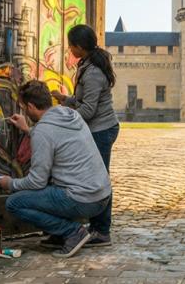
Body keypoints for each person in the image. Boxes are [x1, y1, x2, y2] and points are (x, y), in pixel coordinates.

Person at [0, 80, 111, 258]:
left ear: (30, 106)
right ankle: (60, 235)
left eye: (23, 107)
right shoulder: (70, 114)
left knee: (14, 203)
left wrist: (10, 183)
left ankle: (72, 232)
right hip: (102, 196)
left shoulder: (43, 131)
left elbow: (37, 181)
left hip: (82, 199)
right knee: (53, 187)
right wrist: (29, 131)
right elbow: (56, 139)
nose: (24, 112)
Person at [51, 24, 119, 247]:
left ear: (79, 46)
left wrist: (63, 120)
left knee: (99, 179)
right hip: (96, 129)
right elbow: (83, 103)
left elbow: (88, 111)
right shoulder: (87, 64)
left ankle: (102, 230)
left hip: (101, 130)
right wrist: (65, 99)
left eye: (71, 44)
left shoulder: (93, 73)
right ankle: (94, 226)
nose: (69, 48)